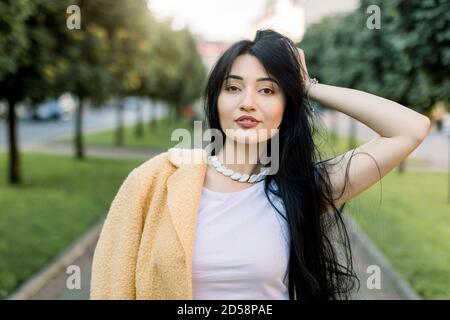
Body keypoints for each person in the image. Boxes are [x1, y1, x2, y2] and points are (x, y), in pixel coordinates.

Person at [90, 29, 430, 300]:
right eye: (233, 88)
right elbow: (112, 283)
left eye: (267, 91)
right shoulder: (157, 180)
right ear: (215, 100)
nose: (248, 103)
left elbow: (410, 129)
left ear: (287, 106)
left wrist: (308, 87)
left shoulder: (302, 189)